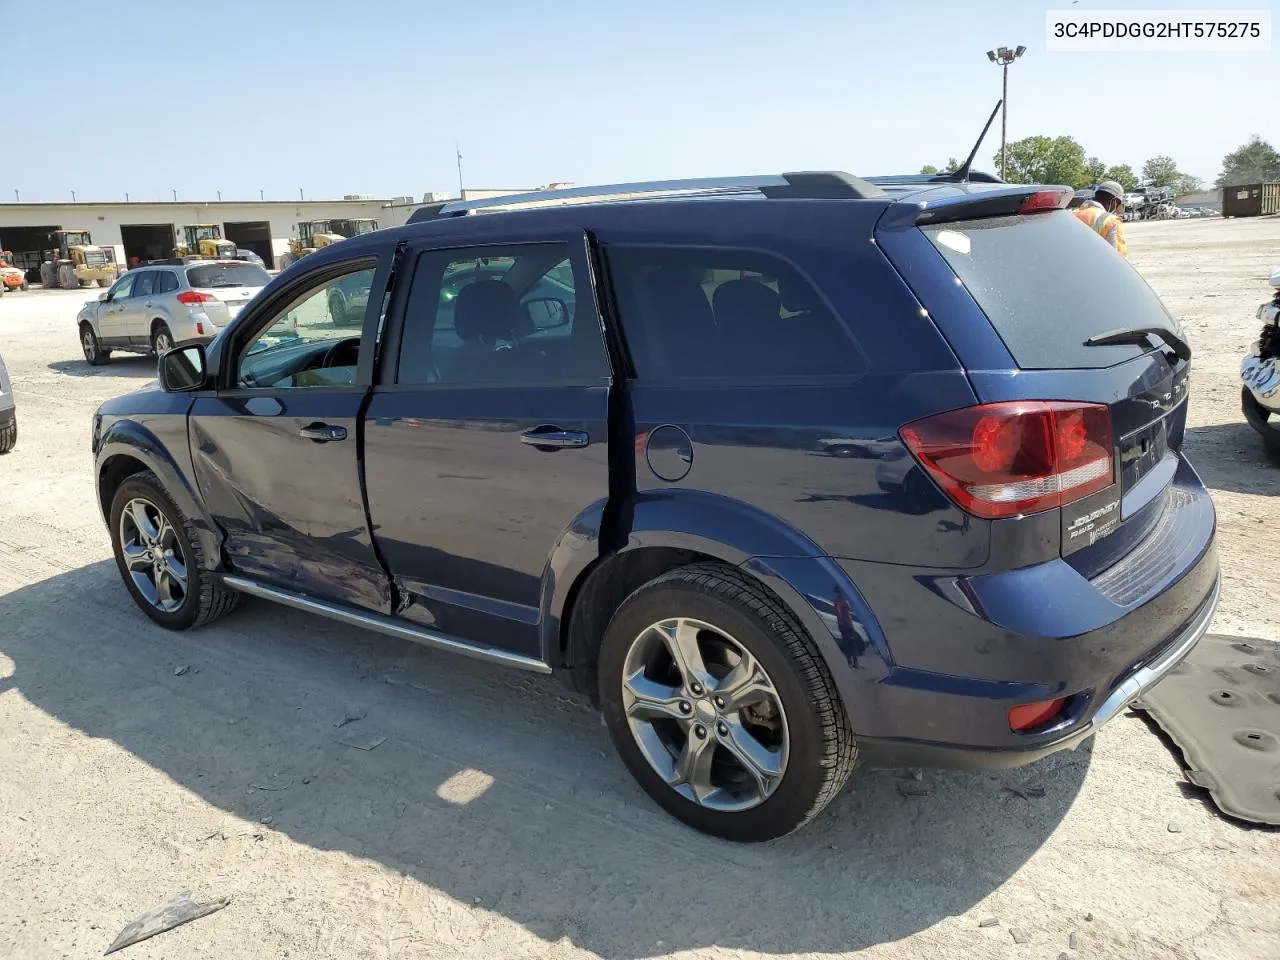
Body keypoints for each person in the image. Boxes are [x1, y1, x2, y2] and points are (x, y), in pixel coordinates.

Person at [1073, 180, 1129, 258]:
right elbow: (1119, 259)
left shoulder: (1072, 214)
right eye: (1118, 205)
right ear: (1114, 201)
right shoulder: (1111, 221)